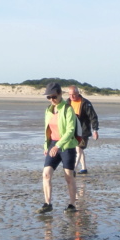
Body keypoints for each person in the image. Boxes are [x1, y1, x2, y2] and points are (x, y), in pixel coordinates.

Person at [40, 82, 79, 213]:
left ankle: (72, 204)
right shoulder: (49, 110)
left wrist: (58, 145)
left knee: (68, 176)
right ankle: (47, 203)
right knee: (46, 174)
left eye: (53, 97)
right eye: (48, 97)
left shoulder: (67, 109)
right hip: (52, 144)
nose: (51, 100)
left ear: (60, 94)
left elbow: (70, 130)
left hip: (67, 146)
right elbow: (47, 129)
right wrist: (46, 145)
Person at [67, 86, 99, 174]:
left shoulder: (85, 103)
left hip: (83, 130)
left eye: (74, 94)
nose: (72, 97)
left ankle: (73, 169)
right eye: (70, 94)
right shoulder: (67, 102)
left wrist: (95, 130)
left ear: (78, 93)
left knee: (78, 149)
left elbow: (93, 117)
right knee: (78, 150)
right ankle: (84, 168)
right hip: (72, 130)